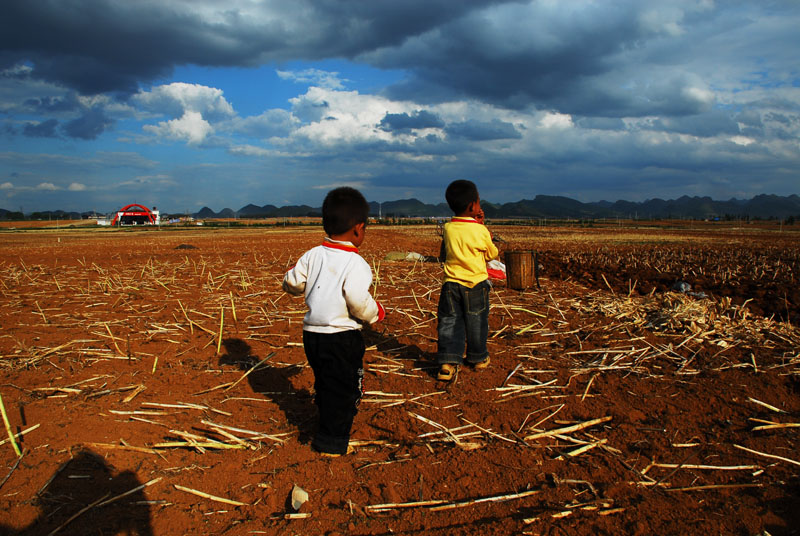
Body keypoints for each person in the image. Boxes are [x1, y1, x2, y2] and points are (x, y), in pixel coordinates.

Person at [282, 187, 385, 456]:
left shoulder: (312, 254)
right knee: (345, 388)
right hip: (342, 337)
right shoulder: (356, 263)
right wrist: (375, 313)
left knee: (325, 380)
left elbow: (292, 282)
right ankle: (332, 441)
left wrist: (298, 285)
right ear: (358, 229)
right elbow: (356, 299)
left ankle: (326, 420)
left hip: (312, 335)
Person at [436, 179, 499, 381]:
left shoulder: (447, 228)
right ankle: (478, 358)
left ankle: (447, 362)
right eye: (479, 202)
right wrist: (483, 227)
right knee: (477, 321)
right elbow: (491, 254)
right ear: (473, 206)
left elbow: (445, 251)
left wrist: (475, 221)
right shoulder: (480, 231)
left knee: (449, 322)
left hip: (450, 285)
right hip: (475, 285)